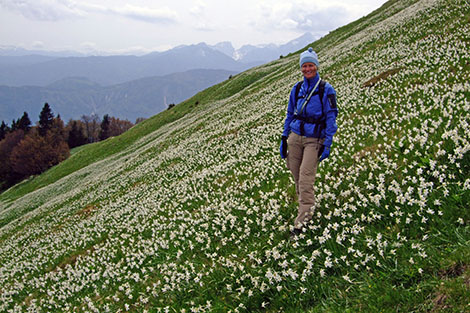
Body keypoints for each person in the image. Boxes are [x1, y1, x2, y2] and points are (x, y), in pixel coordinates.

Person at [280, 47, 338, 237]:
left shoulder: (325, 89)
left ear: (317, 66)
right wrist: (284, 138)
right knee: (297, 177)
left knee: (305, 179)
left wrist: (328, 142)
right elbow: (290, 114)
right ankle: (306, 206)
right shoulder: (296, 89)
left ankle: (302, 223)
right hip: (295, 137)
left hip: (314, 139)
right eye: (304, 66)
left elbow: (331, 117)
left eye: (310, 65)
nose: (307, 69)